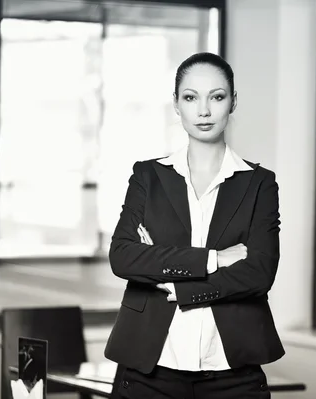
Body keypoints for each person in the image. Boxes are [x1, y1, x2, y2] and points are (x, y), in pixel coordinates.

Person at [104, 52, 284, 399]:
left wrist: (177, 284)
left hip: (232, 377)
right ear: (176, 104)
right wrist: (214, 259)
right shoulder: (148, 176)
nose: (204, 110)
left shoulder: (259, 183)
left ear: (233, 102)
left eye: (217, 97)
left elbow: (259, 273)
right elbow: (123, 257)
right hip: (148, 373)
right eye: (190, 97)